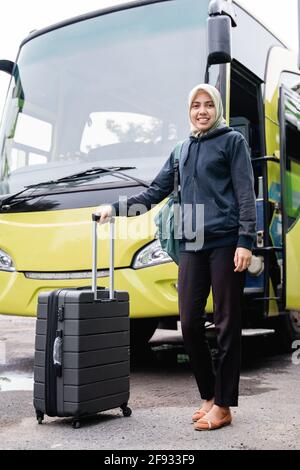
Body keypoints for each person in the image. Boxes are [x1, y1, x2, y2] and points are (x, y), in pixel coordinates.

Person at [95, 84, 256, 431]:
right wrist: (115, 208)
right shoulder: (181, 149)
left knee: (227, 324)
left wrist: (245, 240)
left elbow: (245, 191)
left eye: (208, 104)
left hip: (226, 241)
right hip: (192, 242)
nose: (202, 111)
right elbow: (155, 192)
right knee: (190, 322)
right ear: (189, 111)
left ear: (217, 108)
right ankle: (209, 397)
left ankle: (225, 405)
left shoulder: (232, 142)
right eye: (196, 105)